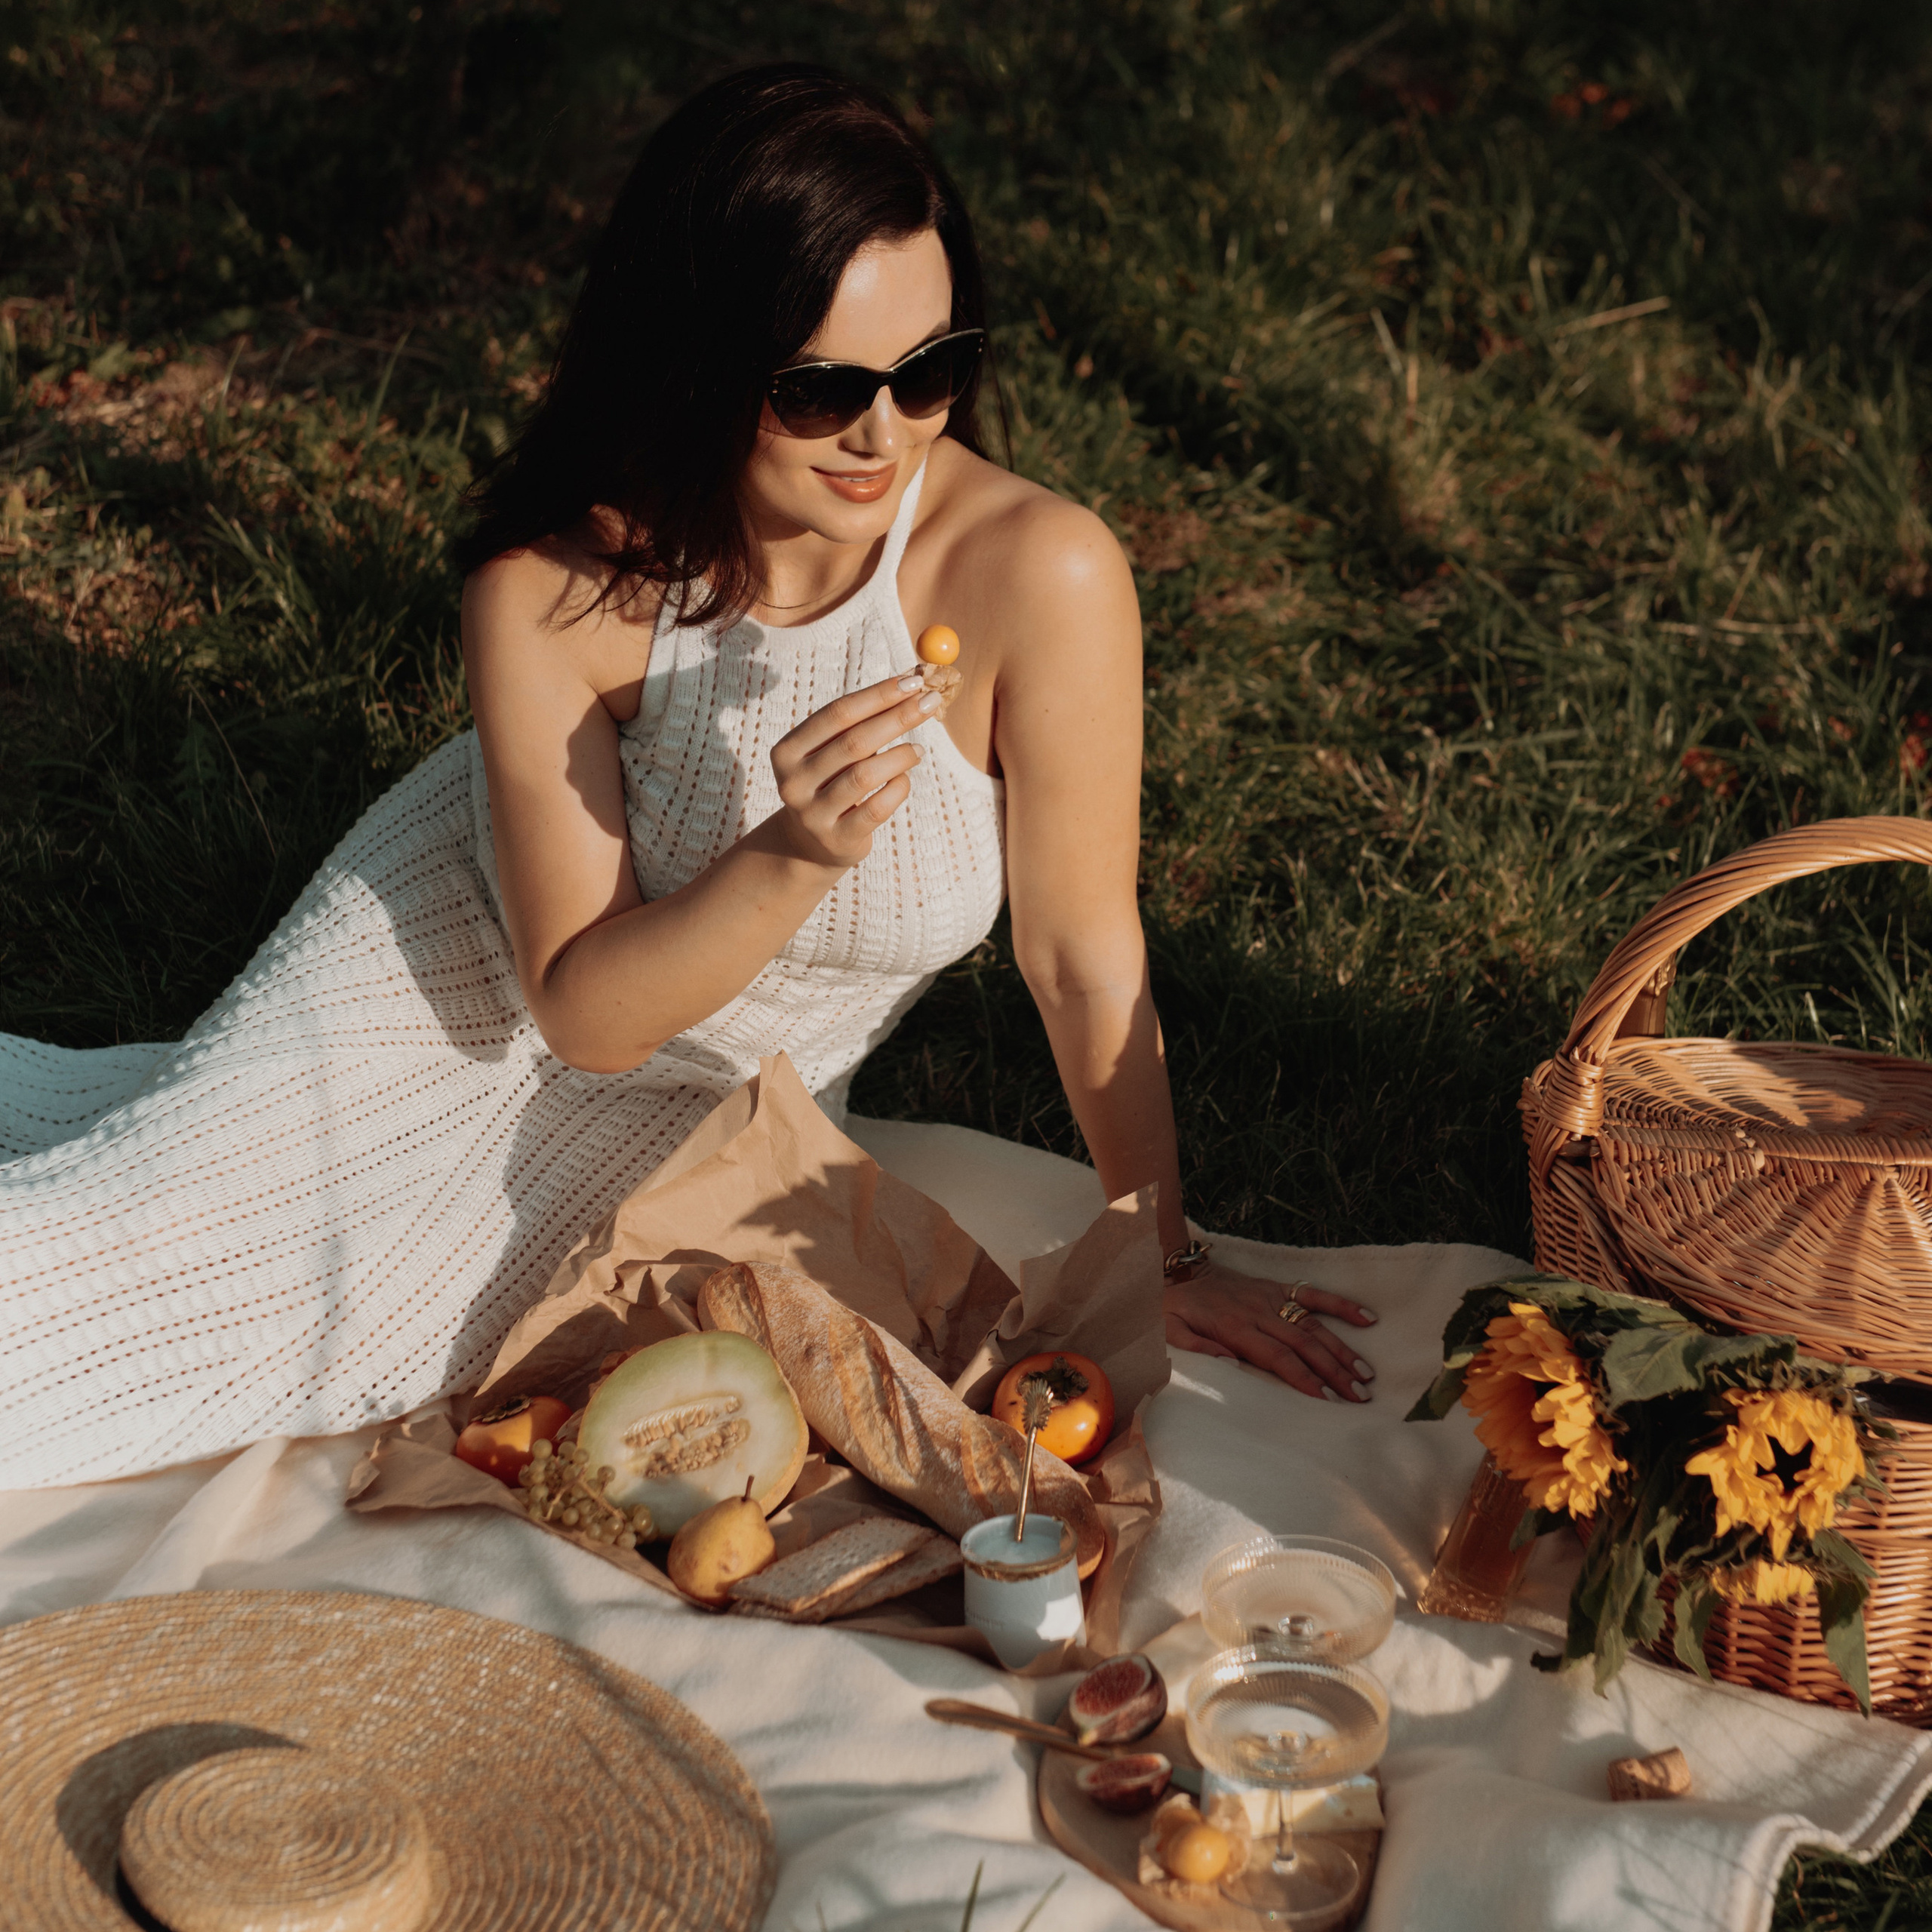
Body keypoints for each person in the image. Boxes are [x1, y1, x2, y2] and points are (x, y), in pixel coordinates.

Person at [0, 63, 1374, 1493]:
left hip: (705, 1110)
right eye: (822, 389)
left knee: (350, 1331)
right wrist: (793, 853)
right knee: (114, 1272)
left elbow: (1082, 955)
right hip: (450, 965)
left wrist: (1163, 1255)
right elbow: (586, 1009)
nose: (886, 435)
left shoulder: (1038, 571)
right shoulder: (555, 587)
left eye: (929, 371)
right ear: (697, 360)